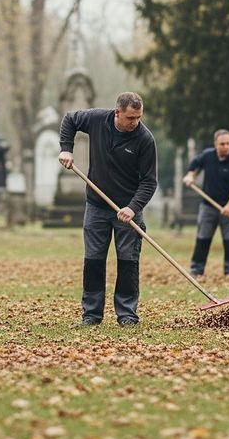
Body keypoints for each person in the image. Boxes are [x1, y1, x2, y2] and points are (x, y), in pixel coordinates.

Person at [58, 91, 157, 327]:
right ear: (117, 113)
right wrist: (66, 148)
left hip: (128, 210)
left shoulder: (144, 139)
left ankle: (127, 315)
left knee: (127, 261)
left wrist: (133, 208)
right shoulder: (96, 119)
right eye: (131, 118)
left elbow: (149, 182)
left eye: (139, 117)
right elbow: (69, 119)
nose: (136, 122)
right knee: (93, 260)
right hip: (96, 207)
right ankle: (91, 314)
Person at [183, 129, 229, 277]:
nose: (226, 146)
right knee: (203, 238)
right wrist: (190, 176)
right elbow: (194, 166)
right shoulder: (207, 155)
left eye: (228, 143)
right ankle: (196, 269)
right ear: (215, 144)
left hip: (228, 208)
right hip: (208, 207)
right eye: (222, 144)